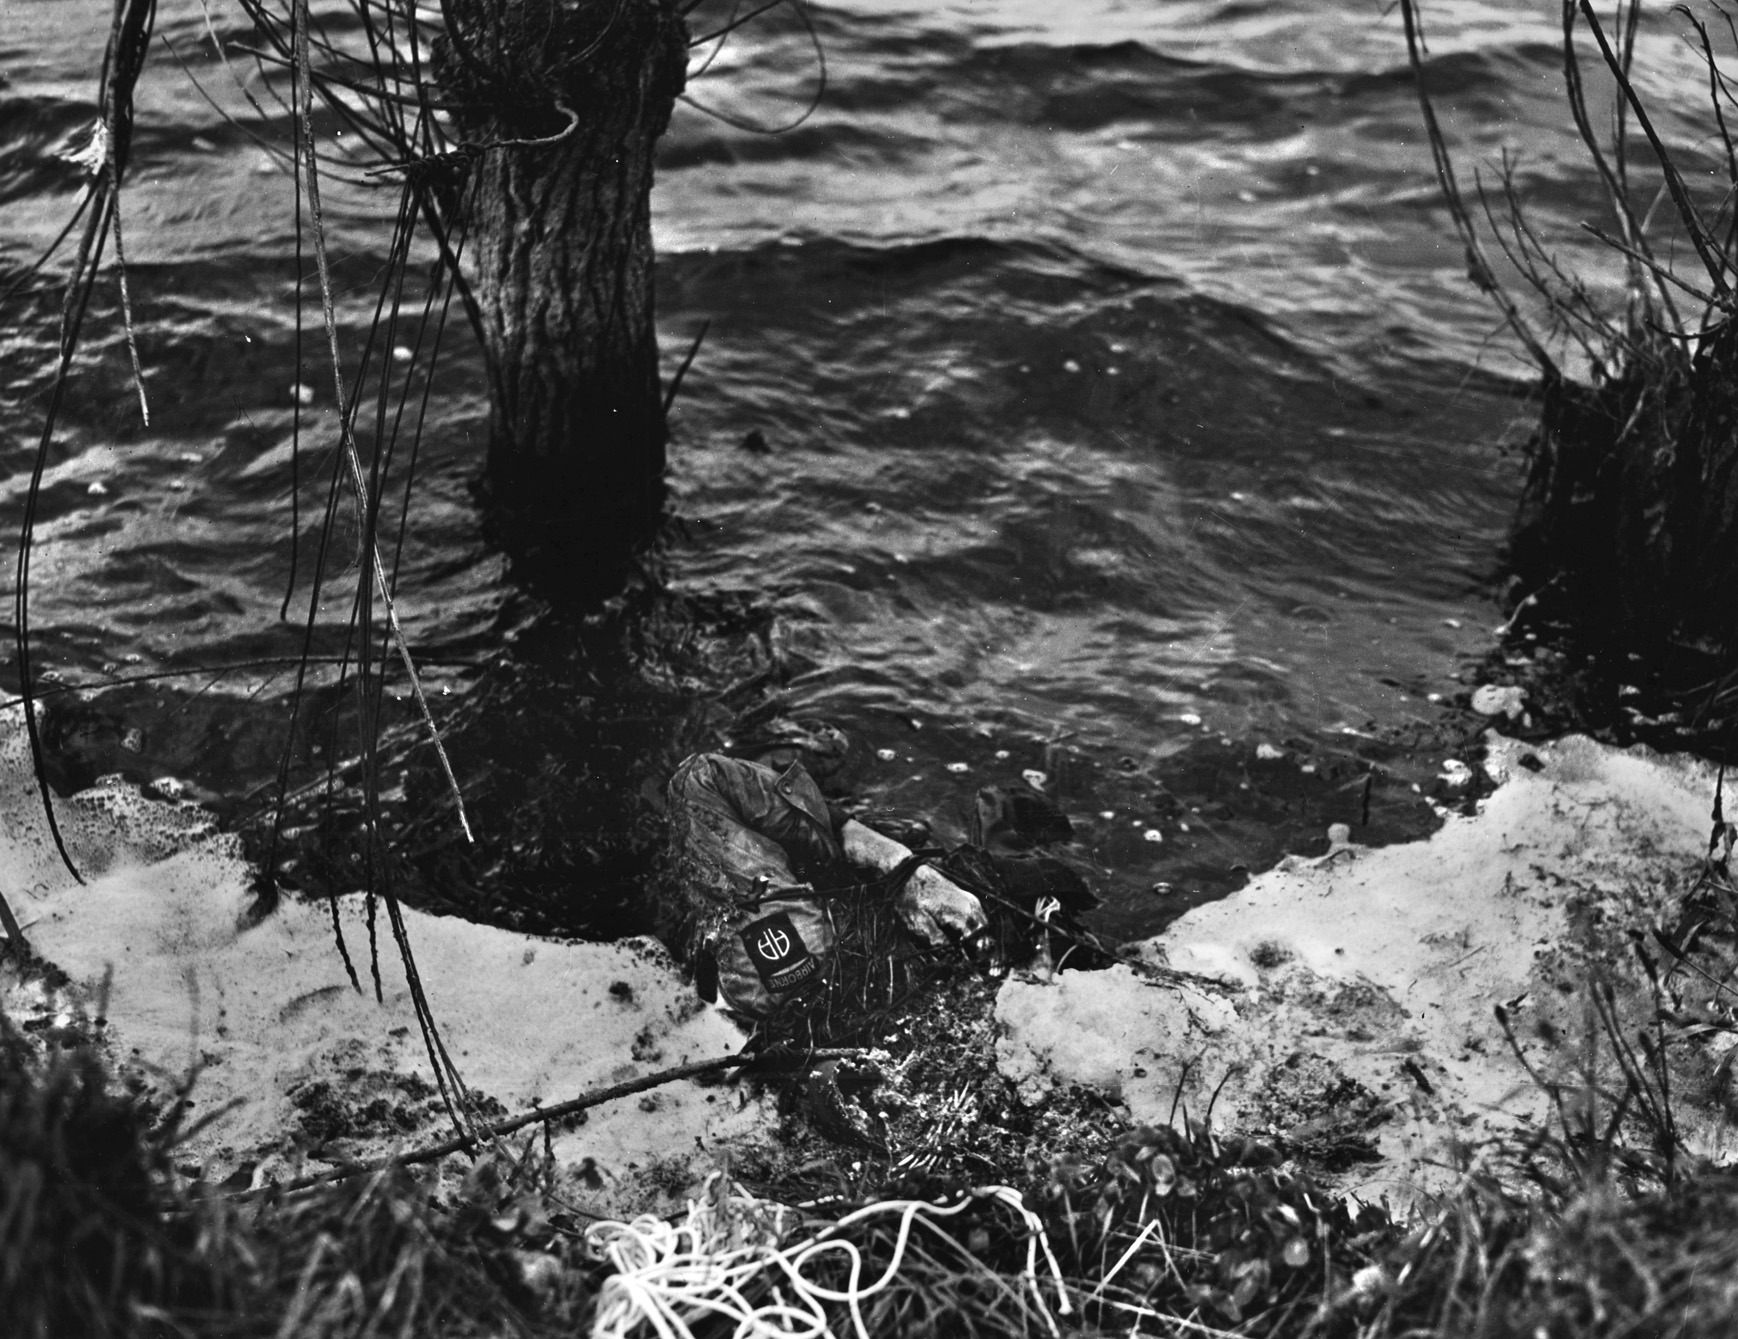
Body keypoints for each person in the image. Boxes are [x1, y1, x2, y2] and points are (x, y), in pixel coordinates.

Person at [657, 750, 992, 1019]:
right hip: (843, 977)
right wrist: (894, 860)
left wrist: (897, 865)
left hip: (795, 989)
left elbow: (700, 778)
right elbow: (703, 778)